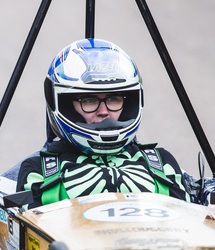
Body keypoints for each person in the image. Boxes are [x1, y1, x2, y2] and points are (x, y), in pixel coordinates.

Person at [16, 39, 190, 207]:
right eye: (89, 100)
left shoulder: (162, 163)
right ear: (66, 105)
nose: (104, 111)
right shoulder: (38, 171)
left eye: (113, 99)